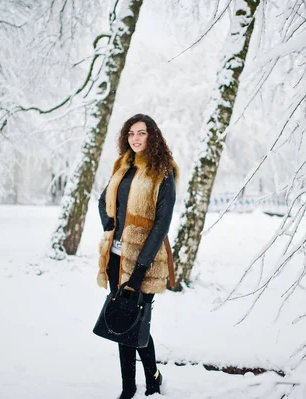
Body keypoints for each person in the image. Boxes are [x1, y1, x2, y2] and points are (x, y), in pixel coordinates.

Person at [97, 114, 178, 398]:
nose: (135, 138)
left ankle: (147, 380)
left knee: (136, 321)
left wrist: (141, 267)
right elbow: (103, 200)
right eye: (131, 133)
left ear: (152, 135)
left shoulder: (162, 171)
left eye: (141, 133)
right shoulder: (123, 167)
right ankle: (135, 385)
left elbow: (162, 224)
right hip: (116, 258)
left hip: (145, 260)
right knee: (124, 321)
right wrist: (110, 227)